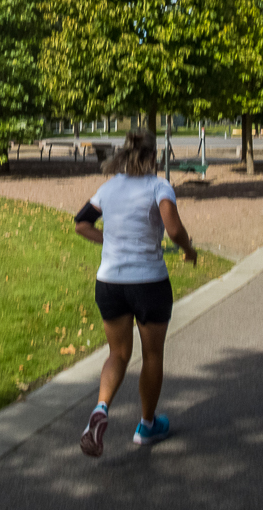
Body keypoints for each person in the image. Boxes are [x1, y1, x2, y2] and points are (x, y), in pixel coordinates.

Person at [73, 130, 197, 457]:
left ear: (123, 158)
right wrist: (189, 250)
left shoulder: (108, 187)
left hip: (110, 282)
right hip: (149, 283)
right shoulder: (159, 186)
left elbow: (81, 223)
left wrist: (110, 243)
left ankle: (100, 410)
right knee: (152, 355)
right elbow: (173, 229)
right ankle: (146, 425)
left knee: (118, 353)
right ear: (154, 158)